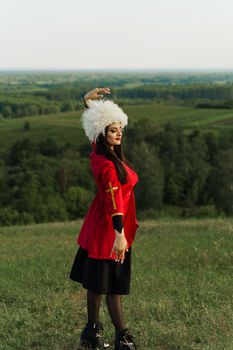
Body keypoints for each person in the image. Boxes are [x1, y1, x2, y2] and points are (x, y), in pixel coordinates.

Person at [69, 87, 139, 350]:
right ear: (103, 134)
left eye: (120, 127)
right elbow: (113, 201)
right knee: (103, 284)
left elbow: (95, 129)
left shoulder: (103, 155)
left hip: (108, 225)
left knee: (108, 284)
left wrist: (89, 102)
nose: (119, 132)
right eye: (113, 129)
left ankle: (100, 334)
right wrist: (119, 235)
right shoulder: (108, 166)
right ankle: (111, 335)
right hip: (108, 229)